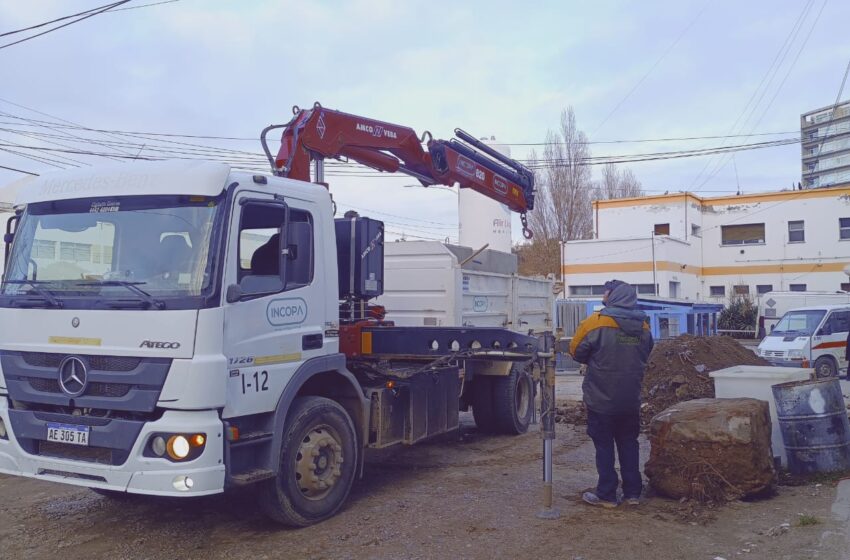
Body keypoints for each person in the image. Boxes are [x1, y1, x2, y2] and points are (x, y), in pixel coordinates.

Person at [569, 280, 654, 508]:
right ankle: (632, 493)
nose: (603, 295)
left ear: (613, 295)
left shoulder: (595, 323)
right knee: (629, 442)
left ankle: (606, 494)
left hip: (601, 397)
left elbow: (576, 351)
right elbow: (647, 353)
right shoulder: (643, 326)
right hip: (630, 399)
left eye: (606, 291)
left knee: (604, 444)